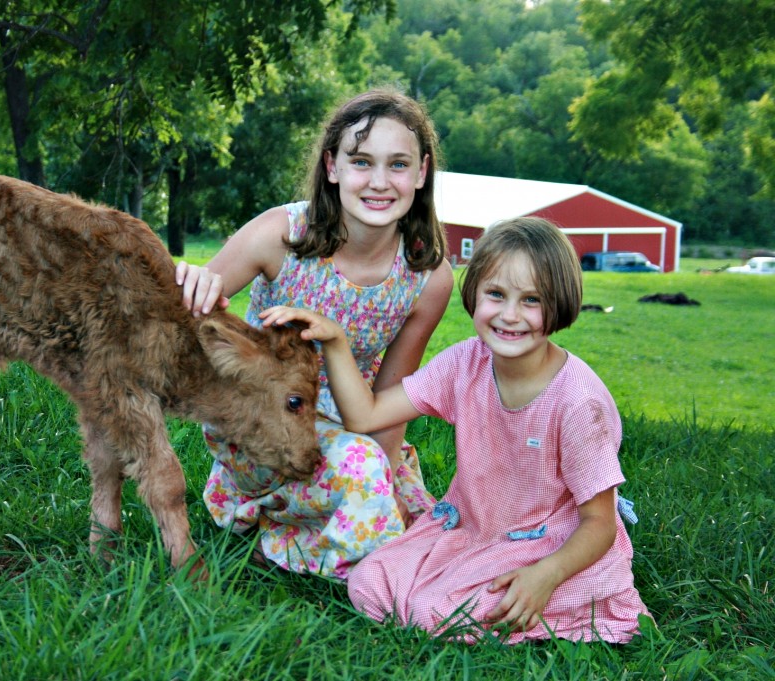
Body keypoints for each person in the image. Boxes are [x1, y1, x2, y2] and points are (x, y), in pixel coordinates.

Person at [260, 217, 652, 643]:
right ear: (475, 294)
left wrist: (545, 575)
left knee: (435, 612)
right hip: (472, 528)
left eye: (532, 300)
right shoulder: (466, 361)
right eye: (496, 294)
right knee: (368, 582)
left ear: (560, 303)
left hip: (549, 546)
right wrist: (335, 341)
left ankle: (580, 605)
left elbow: (599, 521)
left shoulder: (579, 402)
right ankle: (459, 587)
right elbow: (367, 415)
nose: (509, 316)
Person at [175, 88, 455, 578]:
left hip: (351, 423)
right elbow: (195, 311)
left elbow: (391, 398)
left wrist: (382, 476)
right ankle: (284, 526)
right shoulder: (282, 235)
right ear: (332, 166)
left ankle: (281, 538)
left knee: (410, 518)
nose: (379, 182)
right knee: (367, 499)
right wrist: (192, 282)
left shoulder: (427, 277)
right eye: (361, 161)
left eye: (398, 165)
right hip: (263, 422)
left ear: (422, 173)